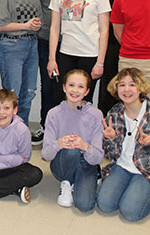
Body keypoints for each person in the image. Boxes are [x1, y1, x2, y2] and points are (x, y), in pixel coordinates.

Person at [97, 68, 150, 222]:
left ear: (141, 88)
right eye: (121, 85)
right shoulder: (114, 113)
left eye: (132, 85)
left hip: (147, 169)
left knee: (131, 212)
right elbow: (110, 155)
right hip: (122, 166)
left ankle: (149, 192)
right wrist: (110, 139)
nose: (126, 90)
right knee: (104, 205)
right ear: (116, 88)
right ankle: (130, 189)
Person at [48, 0, 111, 105]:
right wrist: (52, 59)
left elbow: (104, 31)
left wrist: (100, 62)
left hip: (90, 55)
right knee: (60, 99)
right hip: (65, 54)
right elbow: (54, 28)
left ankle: (81, 131)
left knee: (84, 101)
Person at [29, 0, 71, 145]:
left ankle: (68, 128)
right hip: (45, 41)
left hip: (72, 43)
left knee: (71, 86)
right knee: (48, 85)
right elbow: (32, 8)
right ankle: (47, 127)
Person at [41, 69, 103, 212]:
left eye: (81, 87)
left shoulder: (96, 115)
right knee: (71, 151)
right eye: (71, 85)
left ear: (87, 91)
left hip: (86, 162)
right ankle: (67, 182)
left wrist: (85, 146)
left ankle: (85, 178)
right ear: (64, 87)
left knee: (85, 205)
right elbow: (46, 154)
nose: (75, 90)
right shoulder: (54, 113)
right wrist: (59, 144)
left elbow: (98, 157)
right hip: (63, 162)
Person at [0, 0, 42, 126]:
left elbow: (37, 22)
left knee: (28, 92)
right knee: (12, 93)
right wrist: (26, 25)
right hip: (12, 46)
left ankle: (21, 128)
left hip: (31, 45)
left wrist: (35, 25)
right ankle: (8, 130)